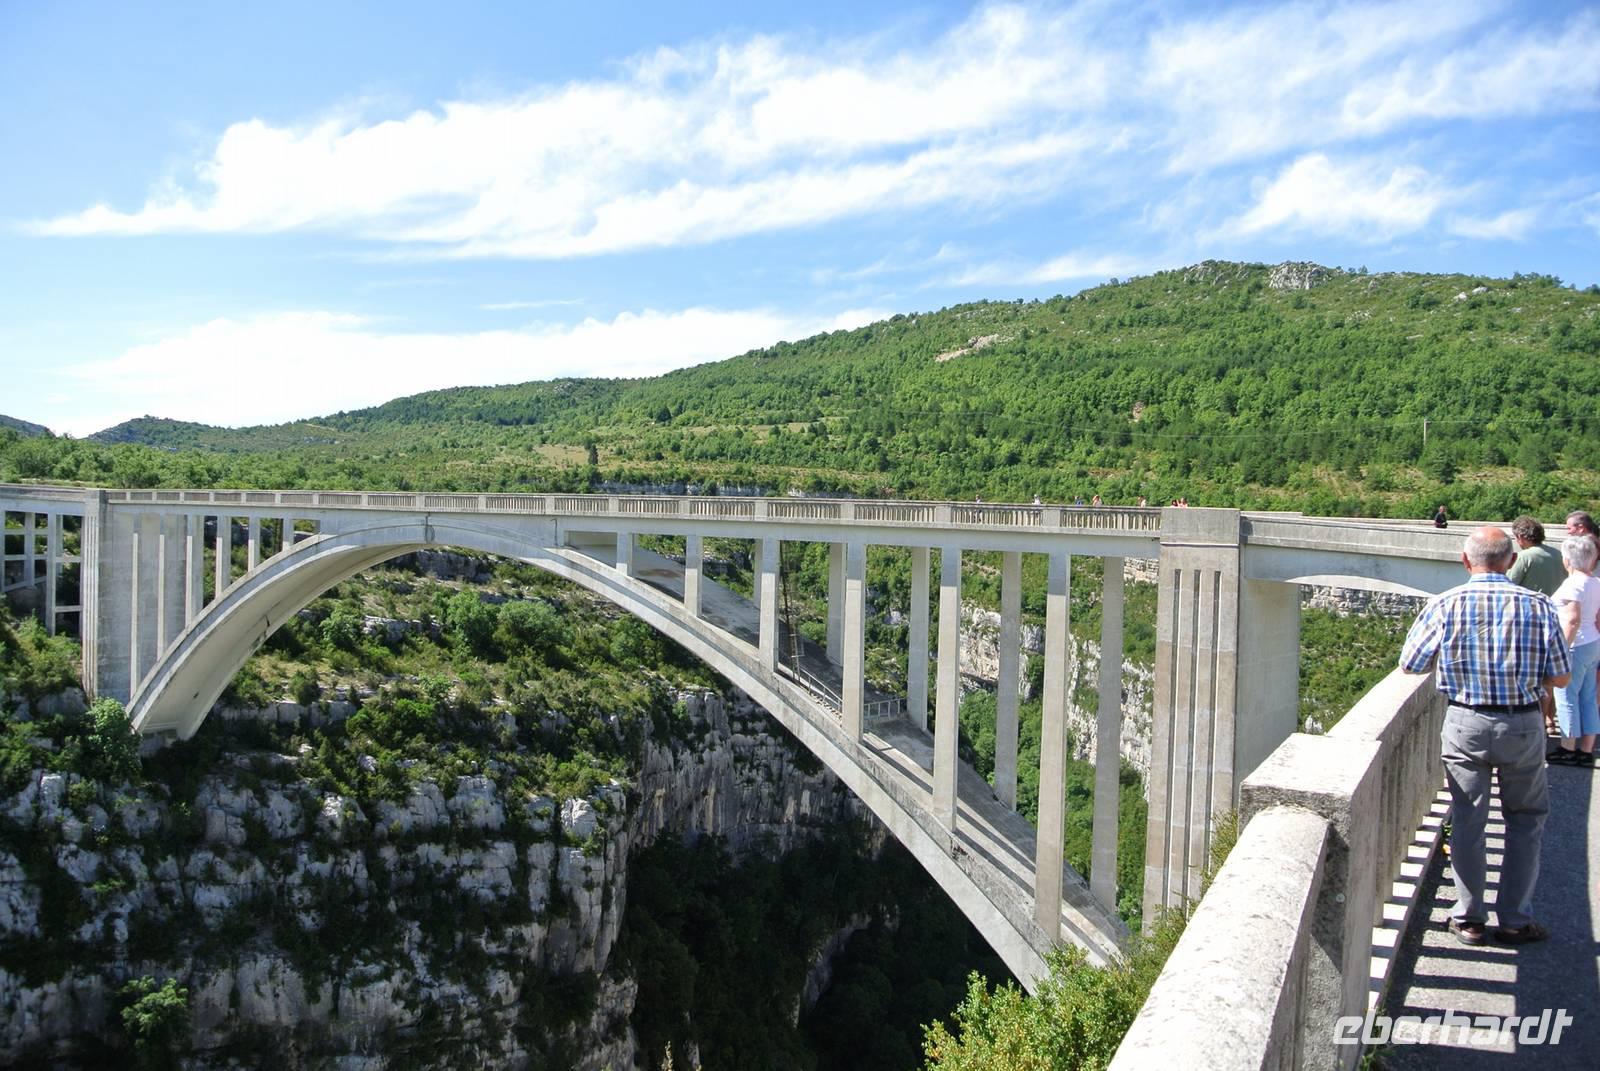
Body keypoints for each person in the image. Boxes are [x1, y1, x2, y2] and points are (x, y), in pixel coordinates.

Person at [1399, 526, 1570, 946]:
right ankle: (1514, 919)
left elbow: (1411, 664)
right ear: (1511, 562)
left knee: (1469, 820)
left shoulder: (1446, 604)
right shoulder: (1539, 605)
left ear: (1465, 560)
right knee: (1525, 821)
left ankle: (1469, 917)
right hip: (1523, 724)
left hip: (1466, 723)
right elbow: (1562, 677)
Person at [1508, 516, 1567, 735]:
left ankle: (1540, 723)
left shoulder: (1525, 558)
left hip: (1529, 623)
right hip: (1557, 619)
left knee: (1536, 677)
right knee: (1551, 675)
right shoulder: (1557, 555)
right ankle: (1551, 720)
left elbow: (1509, 585)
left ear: (1522, 536)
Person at [1548, 535, 1600, 767]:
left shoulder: (1572, 584)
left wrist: (1561, 649)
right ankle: (1586, 749)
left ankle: (1567, 746)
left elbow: (1572, 619)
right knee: (1588, 696)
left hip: (1575, 644)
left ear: (1568, 559)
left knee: (1567, 696)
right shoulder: (1596, 582)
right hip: (1593, 642)